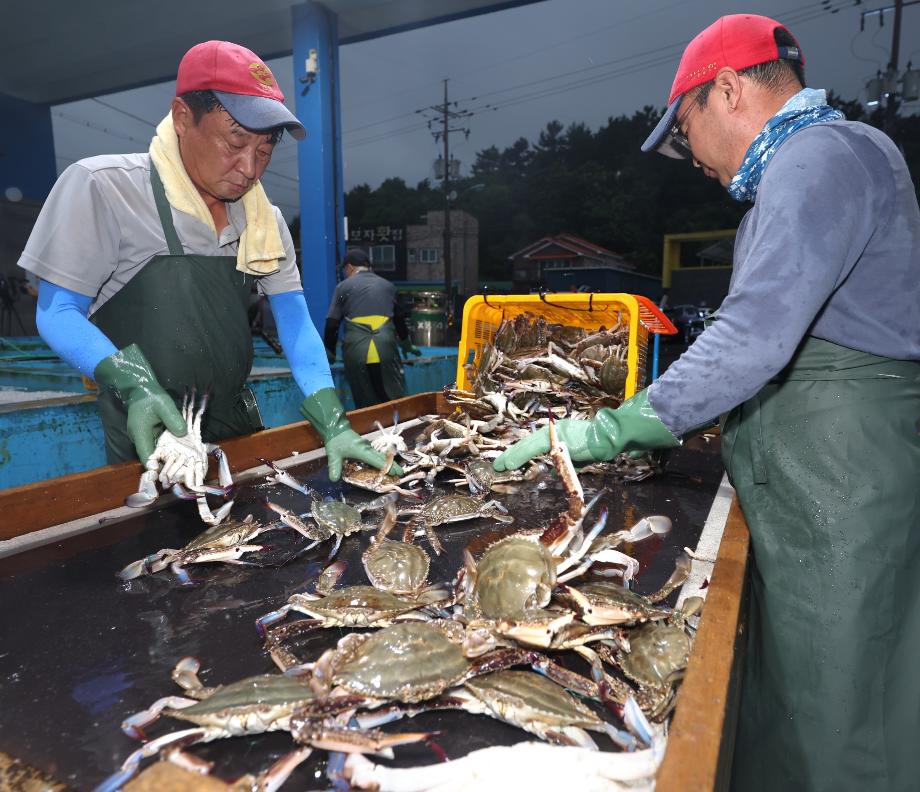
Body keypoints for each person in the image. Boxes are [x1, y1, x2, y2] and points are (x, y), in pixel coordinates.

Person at [495, 13, 920, 791]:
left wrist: (601, 430)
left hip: (844, 486)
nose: (689, 156)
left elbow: (752, 338)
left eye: (684, 128)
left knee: (839, 706)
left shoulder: (819, 157)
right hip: (824, 480)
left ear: (727, 89)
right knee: (802, 687)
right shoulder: (823, 160)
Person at [18, 40, 398, 483]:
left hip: (235, 425)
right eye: (236, 140)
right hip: (149, 431)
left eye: (264, 149)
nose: (250, 168)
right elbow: (57, 312)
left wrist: (334, 421)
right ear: (183, 117)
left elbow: (294, 322)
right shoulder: (106, 189)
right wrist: (137, 386)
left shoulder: (262, 220)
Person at [324, 248, 421, 408]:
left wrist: (331, 352)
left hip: (356, 351)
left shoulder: (343, 288)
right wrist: (406, 344)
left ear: (349, 267)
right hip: (386, 349)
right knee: (392, 399)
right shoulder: (388, 286)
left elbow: (332, 324)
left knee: (366, 405)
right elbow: (399, 320)